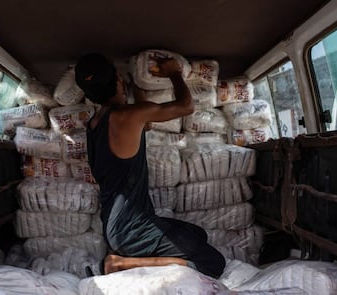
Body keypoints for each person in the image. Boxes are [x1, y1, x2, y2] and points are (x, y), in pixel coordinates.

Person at [75, 53, 225, 278]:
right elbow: (186, 106)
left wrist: (137, 85)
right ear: (118, 80)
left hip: (118, 225)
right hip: (133, 230)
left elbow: (145, 122)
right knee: (213, 263)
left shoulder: (96, 123)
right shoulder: (127, 115)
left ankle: (124, 255)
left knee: (197, 234)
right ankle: (119, 264)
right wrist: (174, 72)